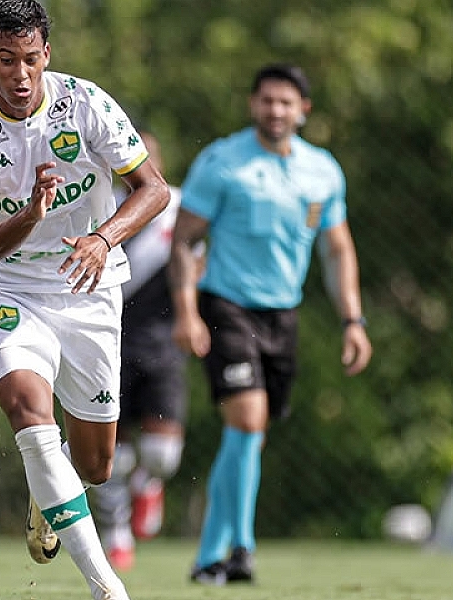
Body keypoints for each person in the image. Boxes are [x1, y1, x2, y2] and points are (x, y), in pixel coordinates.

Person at [0, 2, 170, 598]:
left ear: (48, 55)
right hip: (8, 289)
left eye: (31, 59)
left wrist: (102, 237)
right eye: (6, 60)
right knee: (28, 411)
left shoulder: (86, 103)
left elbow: (153, 190)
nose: (20, 75)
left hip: (88, 288)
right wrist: (30, 215)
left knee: (95, 467)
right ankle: (106, 586)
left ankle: (51, 496)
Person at [169, 63, 373, 585]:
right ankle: (242, 548)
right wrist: (188, 310)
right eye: (266, 101)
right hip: (226, 304)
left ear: (303, 111)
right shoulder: (223, 162)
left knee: (249, 437)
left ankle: (209, 557)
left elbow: (338, 249)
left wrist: (353, 320)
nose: (275, 111)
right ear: (252, 105)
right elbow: (184, 241)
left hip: (283, 313)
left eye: (285, 102)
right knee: (247, 421)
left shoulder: (322, 171)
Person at [88, 131, 195, 572]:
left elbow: (199, 260)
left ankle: (149, 484)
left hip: (163, 340)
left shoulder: (180, 207)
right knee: (110, 448)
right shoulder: (100, 205)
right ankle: (116, 532)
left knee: (161, 455)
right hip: (106, 338)